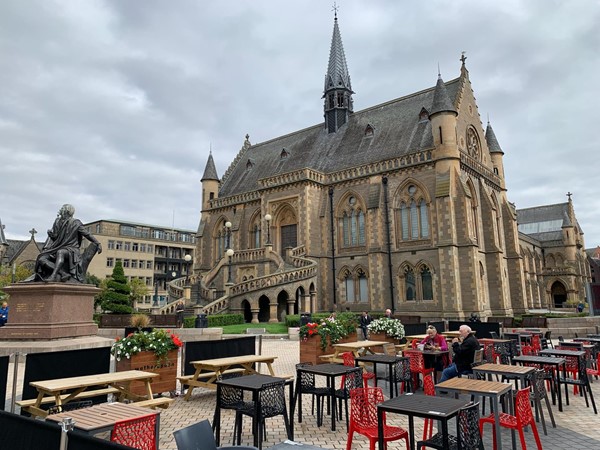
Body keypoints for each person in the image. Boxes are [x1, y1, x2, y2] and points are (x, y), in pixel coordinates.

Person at [30, 204, 102, 283]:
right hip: (57, 247)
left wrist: (97, 243)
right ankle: (63, 273)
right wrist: (51, 234)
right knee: (41, 259)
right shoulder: (57, 221)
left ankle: (53, 276)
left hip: (71, 249)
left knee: (60, 252)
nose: (60, 209)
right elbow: (55, 237)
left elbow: (87, 234)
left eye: (62, 208)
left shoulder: (76, 223)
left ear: (66, 211)